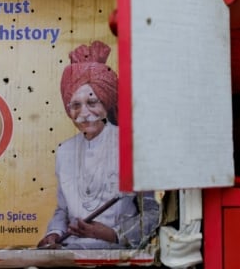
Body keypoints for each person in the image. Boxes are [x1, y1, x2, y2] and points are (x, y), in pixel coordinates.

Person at [37, 41, 159, 250]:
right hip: (72, 253)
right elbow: (62, 210)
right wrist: (54, 233)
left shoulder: (132, 144)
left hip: (119, 254)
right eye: (75, 105)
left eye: (92, 103)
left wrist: (112, 234)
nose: (84, 113)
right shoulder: (65, 151)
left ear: (106, 102)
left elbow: (153, 211)